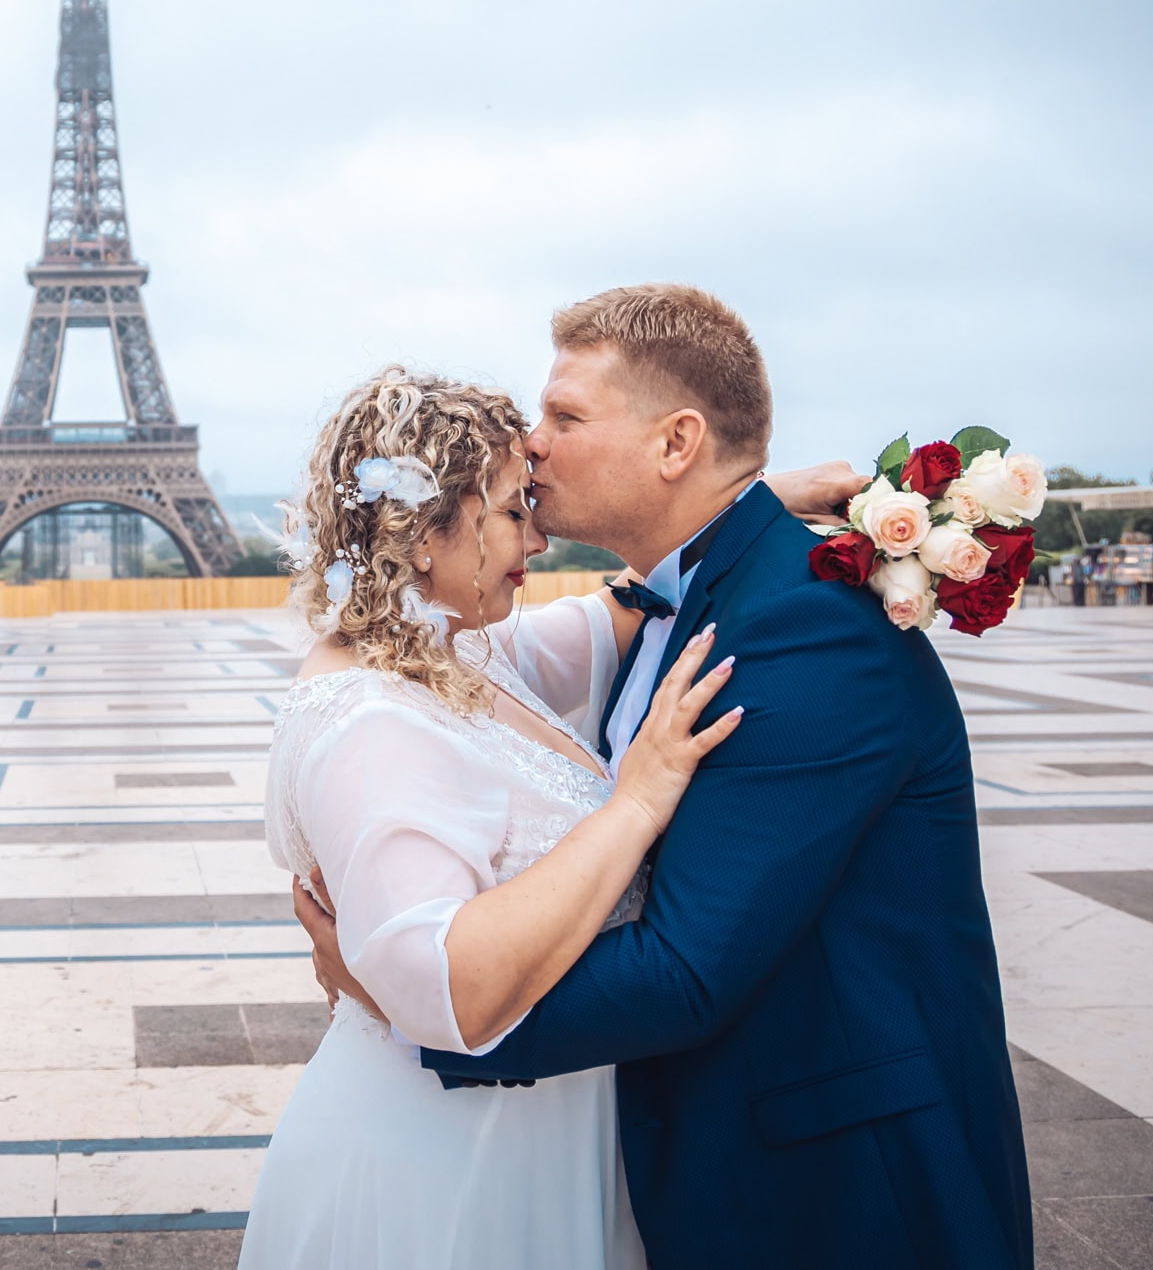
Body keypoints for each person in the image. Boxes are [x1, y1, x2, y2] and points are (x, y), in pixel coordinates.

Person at [289, 286, 1032, 1269]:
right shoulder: (648, 609)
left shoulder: (802, 625)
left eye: (565, 415)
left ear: (677, 442)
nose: (534, 442)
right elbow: (612, 614)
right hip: (605, 1162)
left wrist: (413, 1010)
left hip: (841, 1191)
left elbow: (683, 968)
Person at [239, 363, 863, 1268]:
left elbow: (618, 608)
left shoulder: (456, 651)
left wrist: (758, 499)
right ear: (426, 532)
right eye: (510, 510)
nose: (537, 534)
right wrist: (637, 800)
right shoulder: (373, 719)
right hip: (455, 1171)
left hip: (527, 1134)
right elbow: (448, 986)